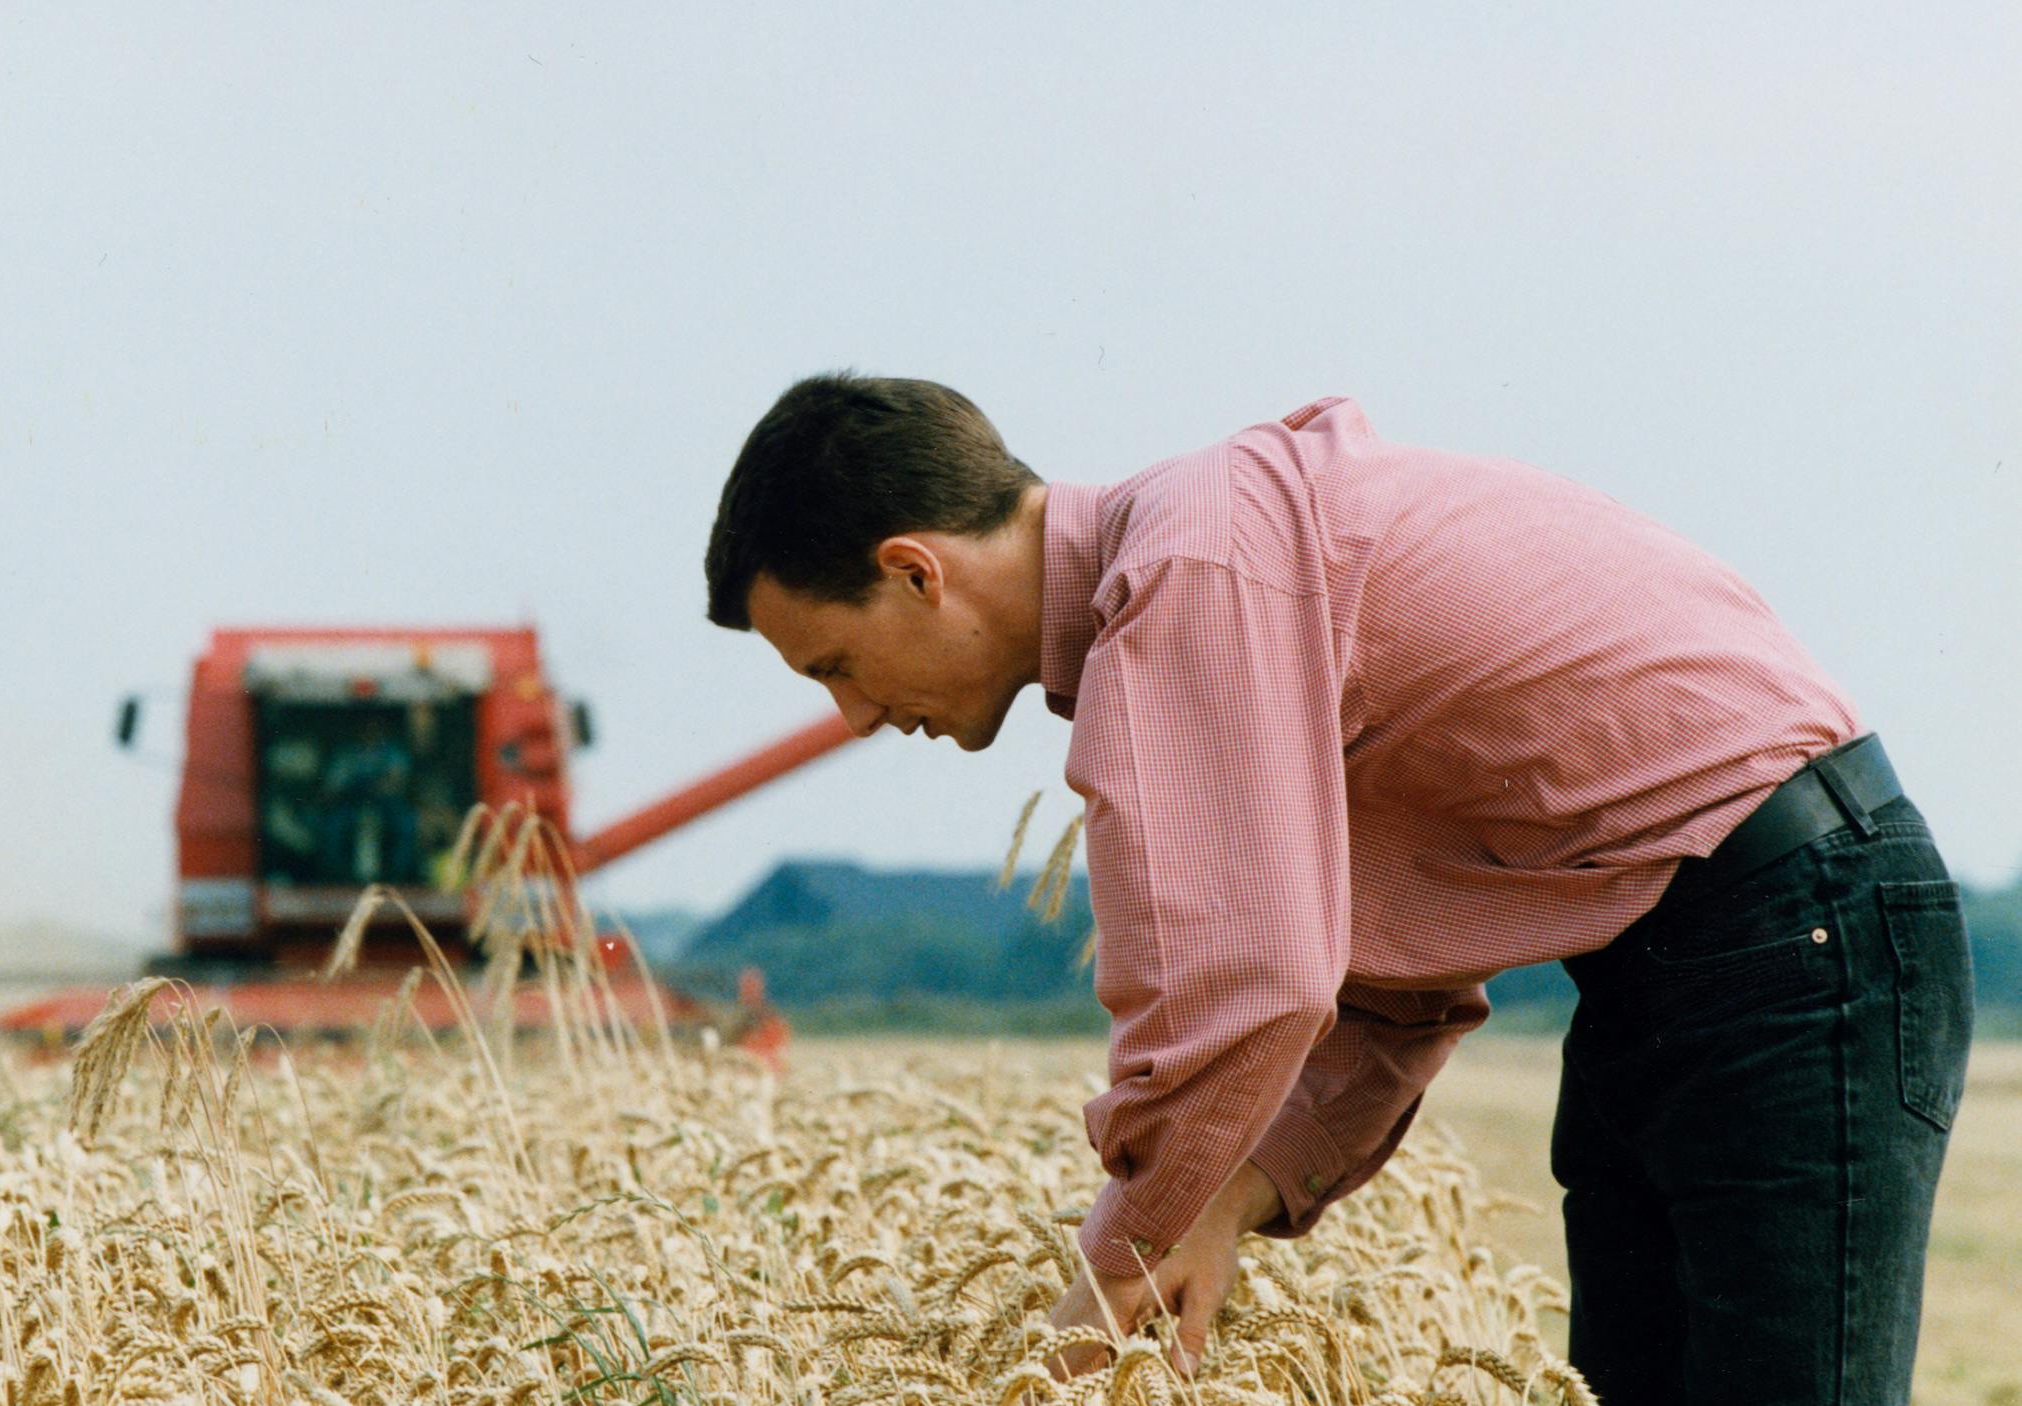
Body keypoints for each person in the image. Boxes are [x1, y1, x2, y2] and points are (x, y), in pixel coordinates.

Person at [701, 373, 1973, 1404]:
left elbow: (1247, 982)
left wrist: (1116, 1258)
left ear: (916, 571)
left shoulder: (1190, 578)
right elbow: (1381, 993)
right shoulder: (1223, 564)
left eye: (837, 663)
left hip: (1796, 934)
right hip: (1704, 951)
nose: (856, 716)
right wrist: (1219, 1198)